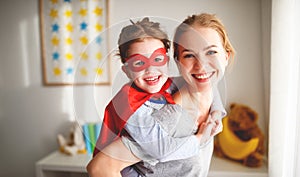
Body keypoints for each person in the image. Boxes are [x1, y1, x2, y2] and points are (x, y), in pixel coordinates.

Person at [87, 13, 233, 177]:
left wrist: (216, 114)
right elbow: (99, 168)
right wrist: (200, 138)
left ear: (226, 56)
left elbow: (211, 89)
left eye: (211, 52)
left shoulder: (195, 87)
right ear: (178, 62)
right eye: (189, 55)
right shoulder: (163, 120)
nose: (202, 66)